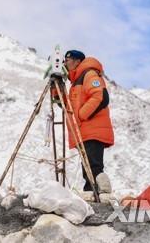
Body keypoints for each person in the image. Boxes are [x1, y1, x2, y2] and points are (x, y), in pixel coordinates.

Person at [63, 50, 114, 192]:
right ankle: (91, 192)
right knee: (88, 167)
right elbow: (65, 105)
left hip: (92, 130)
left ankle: (98, 194)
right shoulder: (75, 82)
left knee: (93, 166)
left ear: (78, 61)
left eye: (68, 60)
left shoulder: (88, 74)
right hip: (84, 131)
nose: (65, 63)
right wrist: (56, 88)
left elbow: (100, 96)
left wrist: (81, 115)